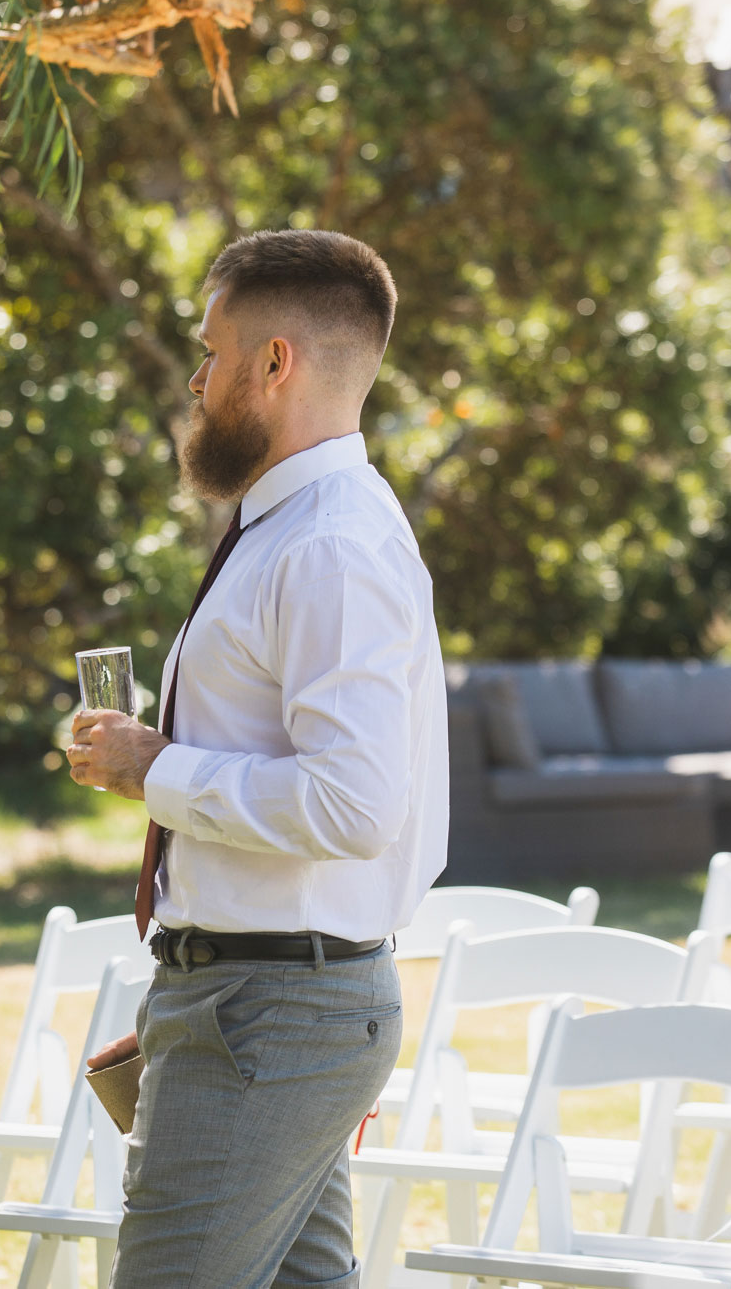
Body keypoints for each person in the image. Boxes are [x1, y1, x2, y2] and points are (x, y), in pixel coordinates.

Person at [65, 229, 448, 1288]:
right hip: (253, 1001)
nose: (194, 379)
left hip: (272, 1013)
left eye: (207, 349)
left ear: (271, 362)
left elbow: (354, 802)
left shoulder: (326, 544)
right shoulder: (283, 528)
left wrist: (154, 769)